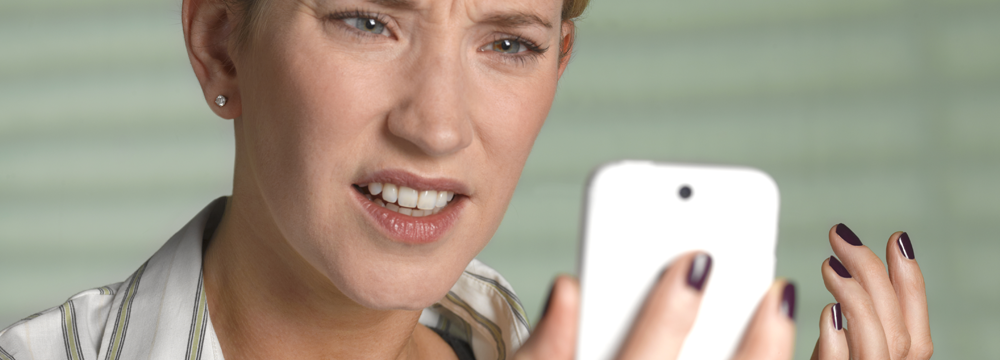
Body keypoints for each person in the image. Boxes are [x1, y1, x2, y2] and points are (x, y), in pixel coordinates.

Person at [0, 0, 933, 359]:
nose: (438, 124)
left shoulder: (511, 334)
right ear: (220, 44)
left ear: (557, 65)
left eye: (508, 43)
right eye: (367, 21)